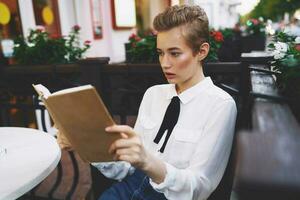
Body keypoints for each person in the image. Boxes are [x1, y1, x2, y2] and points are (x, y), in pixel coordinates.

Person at [58, 5, 237, 200]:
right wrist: (85, 144)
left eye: (174, 53)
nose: (164, 63)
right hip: (129, 187)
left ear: (201, 51)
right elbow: (127, 168)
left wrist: (147, 162)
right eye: (161, 52)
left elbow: (199, 188)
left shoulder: (220, 104)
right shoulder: (153, 94)